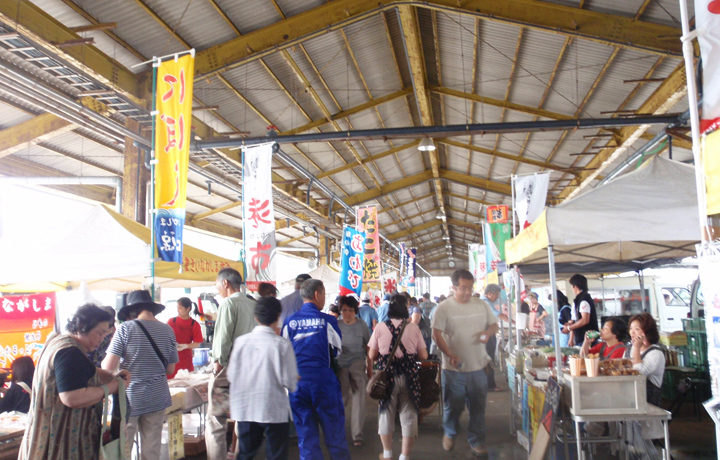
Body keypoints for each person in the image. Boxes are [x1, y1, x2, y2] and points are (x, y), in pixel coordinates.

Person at [19, 304, 130, 460]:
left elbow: (81, 373)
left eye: (105, 335)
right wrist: (111, 387)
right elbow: (72, 398)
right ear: (81, 326)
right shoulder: (69, 352)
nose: (101, 339)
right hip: (59, 443)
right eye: (99, 333)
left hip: (44, 437)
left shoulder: (58, 342)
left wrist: (111, 376)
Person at [103, 290, 178, 460]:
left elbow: (108, 367)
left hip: (130, 398)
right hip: (158, 397)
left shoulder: (124, 329)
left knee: (124, 449)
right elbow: (170, 369)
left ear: (132, 311)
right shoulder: (168, 330)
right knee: (152, 449)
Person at [432, 269, 499, 457]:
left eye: (470, 288)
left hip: (478, 368)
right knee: (453, 406)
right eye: (463, 288)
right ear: (453, 287)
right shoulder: (444, 308)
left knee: (478, 408)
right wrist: (449, 353)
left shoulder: (481, 305)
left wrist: (487, 333)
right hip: (453, 369)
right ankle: (450, 432)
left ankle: (476, 441)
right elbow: (436, 334)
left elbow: (494, 325)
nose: (468, 292)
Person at [282, 279, 350, 460]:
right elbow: (336, 350)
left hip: (297, 384)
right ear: (317, 295)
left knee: (306, 437)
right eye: (324, 294)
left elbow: (284, 353)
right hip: (323, 381)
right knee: (334, 434)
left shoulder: (289, 322)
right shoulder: (327, 321)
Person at [227, 296, 298, 460]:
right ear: (278, 316)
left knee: (246, 454)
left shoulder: (241, 342)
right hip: (273, 409)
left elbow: (231, 375)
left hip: (245, 408)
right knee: (276, 455)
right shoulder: (281, 345)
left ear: (255, 317)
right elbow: (289, 381)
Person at [206, 267, 256, 460]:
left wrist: (218, 363)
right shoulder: (252, 304)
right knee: (243, 419)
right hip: (250, 369)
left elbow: (222, 339)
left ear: (225, 283)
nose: (217, 287)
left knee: (216, 422)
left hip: (229, 370)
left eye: (217, 283)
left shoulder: (227, 303)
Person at [369, 294, 428, 460]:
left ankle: (387, 453)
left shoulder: (380, 327)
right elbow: (423, 355)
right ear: (405, 309)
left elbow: (372, 355)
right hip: (409, 377)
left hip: (387, 379)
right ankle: (404, 456)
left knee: (386, 412)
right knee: (409, 415)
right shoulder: (413, 328)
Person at [337, 295, 371, 447]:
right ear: (340, 311)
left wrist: (369, 368)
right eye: (344, 310)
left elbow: (368, 347)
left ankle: (357, 434)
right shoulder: (336, 325)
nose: (347, 313)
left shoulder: (362, 325)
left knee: (359, 400)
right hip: (340, 366)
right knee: (341, 399)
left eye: (350, 310)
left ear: (355, 311)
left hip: (357, 364)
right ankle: (338, 432)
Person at [628, 312, 666, 440]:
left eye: (637, 329)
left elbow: (638, 373)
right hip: (631, 403)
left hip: (648, 407)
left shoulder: (656, 353)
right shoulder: (631, 349)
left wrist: (636, 348)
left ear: (647, 331)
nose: (632, 332)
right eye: (631, 329)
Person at [167, 297, 204, 378]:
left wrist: (186, 346)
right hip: (172, 359)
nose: (178, 310)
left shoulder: (194, 324)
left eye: (180, 308)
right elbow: (164, 338)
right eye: (177, 308)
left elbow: (197, 343)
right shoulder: (171, 321)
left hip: (186, 359)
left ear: (188, 309)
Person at [563, 274, 599, 345]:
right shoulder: (577, 301)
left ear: (575, 286)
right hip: (580, 337)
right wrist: (571, 337)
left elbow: (585, 320)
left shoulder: (584, 300)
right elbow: (574, 320)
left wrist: (569, 328)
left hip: (589, 338)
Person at [483, 284, 503, 392]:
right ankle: (490, 385)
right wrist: (514, 321)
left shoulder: (486, 302)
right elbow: (497, 313)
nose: (497, 297)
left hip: (486, 334)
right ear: (490, 293)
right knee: (488, 359)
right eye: (496, 295)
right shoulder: (485, 302)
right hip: (487, 335)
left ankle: (488, 384)